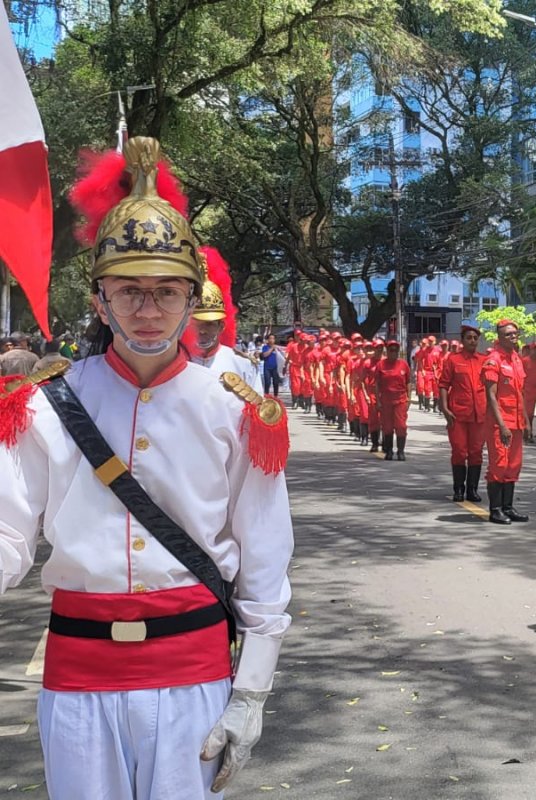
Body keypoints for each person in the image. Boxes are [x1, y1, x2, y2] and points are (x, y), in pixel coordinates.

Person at [0, 137, 292, 798]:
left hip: (194, 675)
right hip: (78, 679)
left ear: (194, 301)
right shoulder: (45, 404)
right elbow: (7, 534)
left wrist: (252, 691)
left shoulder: (236, 408)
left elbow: (265, 551)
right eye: (128, 291)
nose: (148, 310)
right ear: (99, 300)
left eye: (167, 291)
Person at [186, 248, 262, 392]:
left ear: (221, 326)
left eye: (209, 324)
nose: (202, 331)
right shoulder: (171, 363)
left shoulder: (243, 364)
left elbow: (258, 411)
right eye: (196, 324)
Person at [481, 320, 529, 524]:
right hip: (499, 422)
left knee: (513, 465)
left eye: (515, 333)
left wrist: (526, 419)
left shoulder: (516, 359)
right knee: (499, 464)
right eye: (508, 334)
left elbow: (519, 393)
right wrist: (502, 425)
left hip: (516, 421)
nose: (513, 336)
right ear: (499, 338)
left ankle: (508, 507)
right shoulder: (493, 360)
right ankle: (496, 509)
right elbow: (491, 396)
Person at [439, 324, 488, 502]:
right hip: (457, 414)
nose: (472, 341)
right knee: (459, 451)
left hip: (479, 414)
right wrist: (444, 408)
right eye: (469, 337)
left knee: (476, 452)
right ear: (462, 340)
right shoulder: (453, 360)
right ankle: (458, 489)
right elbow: (444, 385)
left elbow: (491, 388)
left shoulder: (484, 360)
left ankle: (472, 490)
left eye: (475, 338)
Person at [377, 340, 411, 461]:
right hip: (386, 401)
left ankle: (401, 451)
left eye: (396, 350)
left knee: (401, 426)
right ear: (387, 351)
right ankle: (389, 451)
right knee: (387, 427)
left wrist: (409, 398)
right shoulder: (381, 365)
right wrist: (378, 400)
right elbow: (377, 383)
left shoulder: (403, 364)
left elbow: (408, 382)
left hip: (400, 400)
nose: (394, 352)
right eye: (391, 350)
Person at [521, 343, 536, 444]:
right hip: (527, 389)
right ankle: (528, 433)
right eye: (535, 349)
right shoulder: (525, 361)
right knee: (529, 413)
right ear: (530, 350)